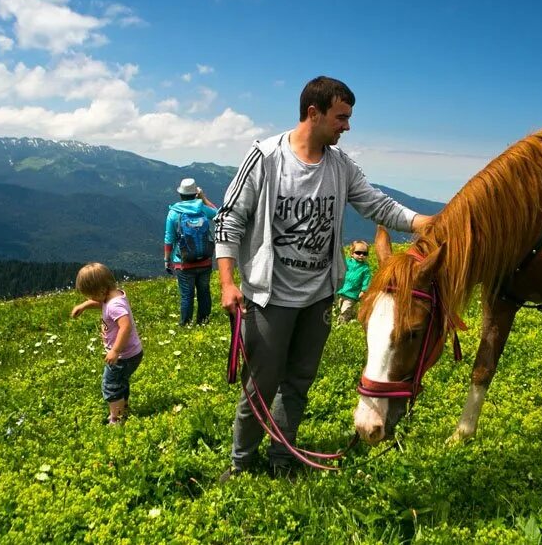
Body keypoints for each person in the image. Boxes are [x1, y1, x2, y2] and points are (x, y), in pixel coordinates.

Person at [214, 75, 432, 481]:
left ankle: (282, 457)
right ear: (313, 113)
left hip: (318, 297)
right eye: (341, 118)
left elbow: (377, 204)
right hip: (269, 297)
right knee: (259, 385)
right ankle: (240, 463)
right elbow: (228, 220)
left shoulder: (341, 166)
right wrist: (228, 283)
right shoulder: (265, 157)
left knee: (298, 382)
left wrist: (425, 222)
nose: (346, 127)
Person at [70, 262, 144, 424]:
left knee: (111, 385)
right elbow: (101, 303)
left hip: (123, 356)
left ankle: (116, 419)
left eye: (91, 296)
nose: (91, 299)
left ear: (101, 291)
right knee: (120, 382)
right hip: (131, 353)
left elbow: (125, 326)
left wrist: (115, 351)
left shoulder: (115, 305)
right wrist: (84, 306)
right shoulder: (113, 296)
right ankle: (123, 410)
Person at [164, 178, 219, 325]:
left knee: (186, 295)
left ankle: (186, 324)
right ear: (195, 194)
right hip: (205, 261)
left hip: (183, 261)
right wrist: (204, 198)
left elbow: (169, 238)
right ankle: (204, 321)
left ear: (180, 194)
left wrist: (166, 260)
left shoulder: (174, 213)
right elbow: (218, 214)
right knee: (204, 292)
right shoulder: (202, 208)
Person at [336, 239, 371, 323]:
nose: (361, 255)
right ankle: (351, 313)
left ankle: (342, 323)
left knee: (345, 309)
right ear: (352, 253)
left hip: (352, 294)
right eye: (358, 253)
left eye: (364, 253)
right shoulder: (347, 262)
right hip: (340, 290)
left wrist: (363, 290)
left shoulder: (365, 268)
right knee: (337, 307)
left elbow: (366, 281)